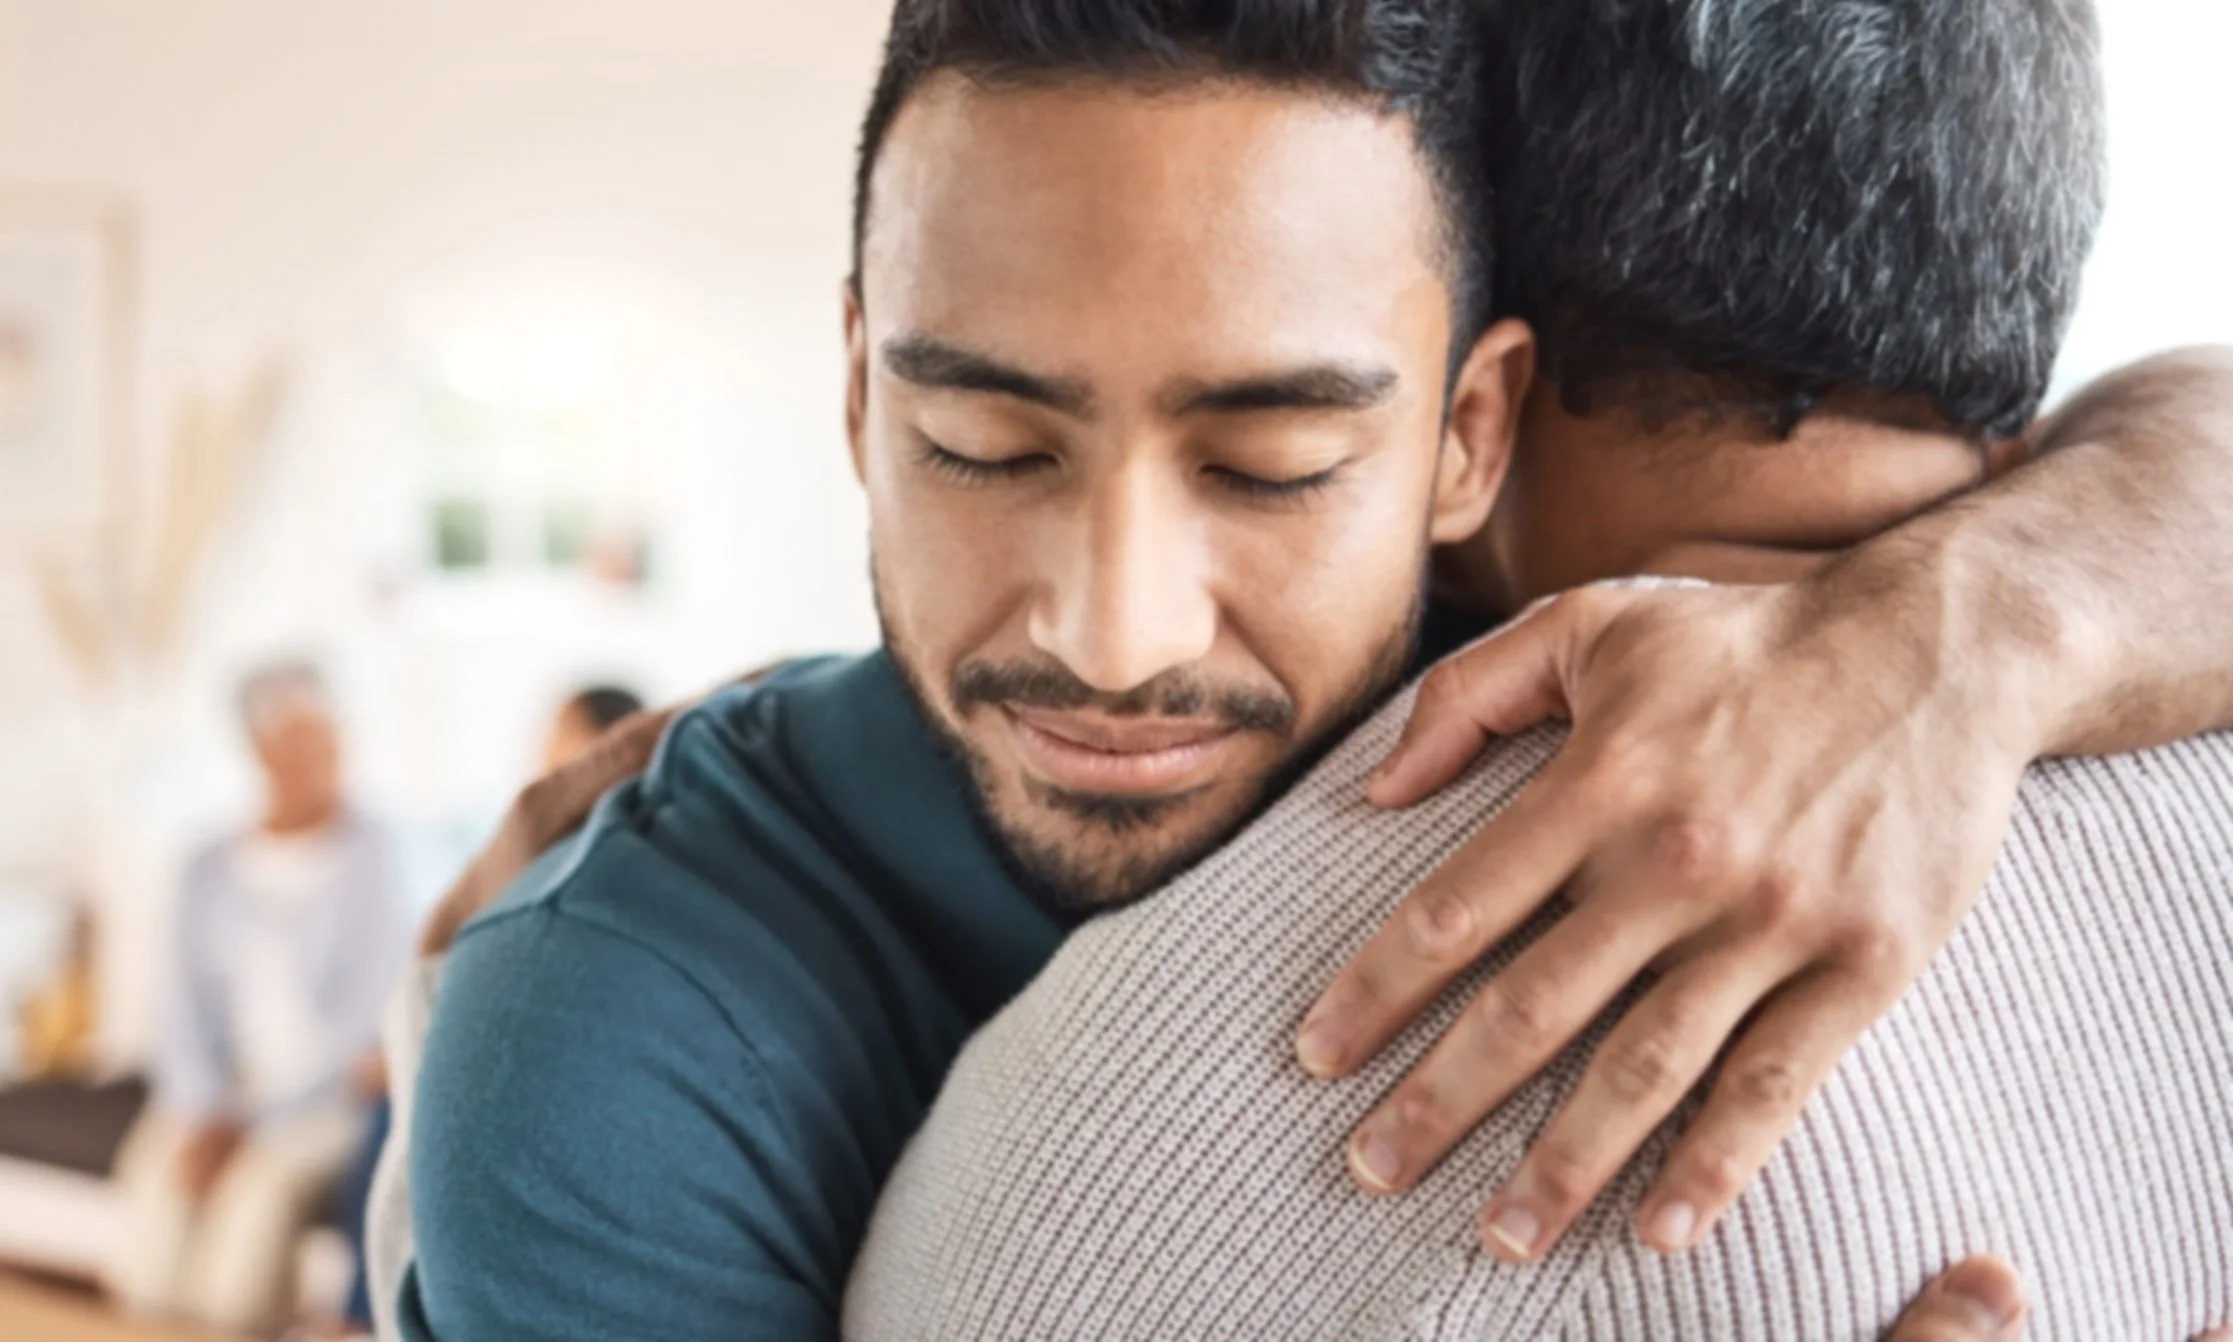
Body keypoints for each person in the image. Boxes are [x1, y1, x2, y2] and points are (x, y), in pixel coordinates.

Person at [388, 1, 2233, 1338]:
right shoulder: (611, 1045)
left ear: (1469, 439)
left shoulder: (1558, 638)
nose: (1114, 633)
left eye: (1271, 466)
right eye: (981, 445)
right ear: (861, 391)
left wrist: (1949, 641)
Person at [107, 661, 413, 1334]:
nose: (325, 756)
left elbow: (361, 1020)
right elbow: (181, 1012)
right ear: (260, 749)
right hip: (210, 1100)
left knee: (249, 1221)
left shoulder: (375, 855)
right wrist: (202, 1110)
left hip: (318, 1104)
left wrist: (246, 1121)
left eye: (330, 736)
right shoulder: (205, 866)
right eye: (302, 739)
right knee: (154, 1214)